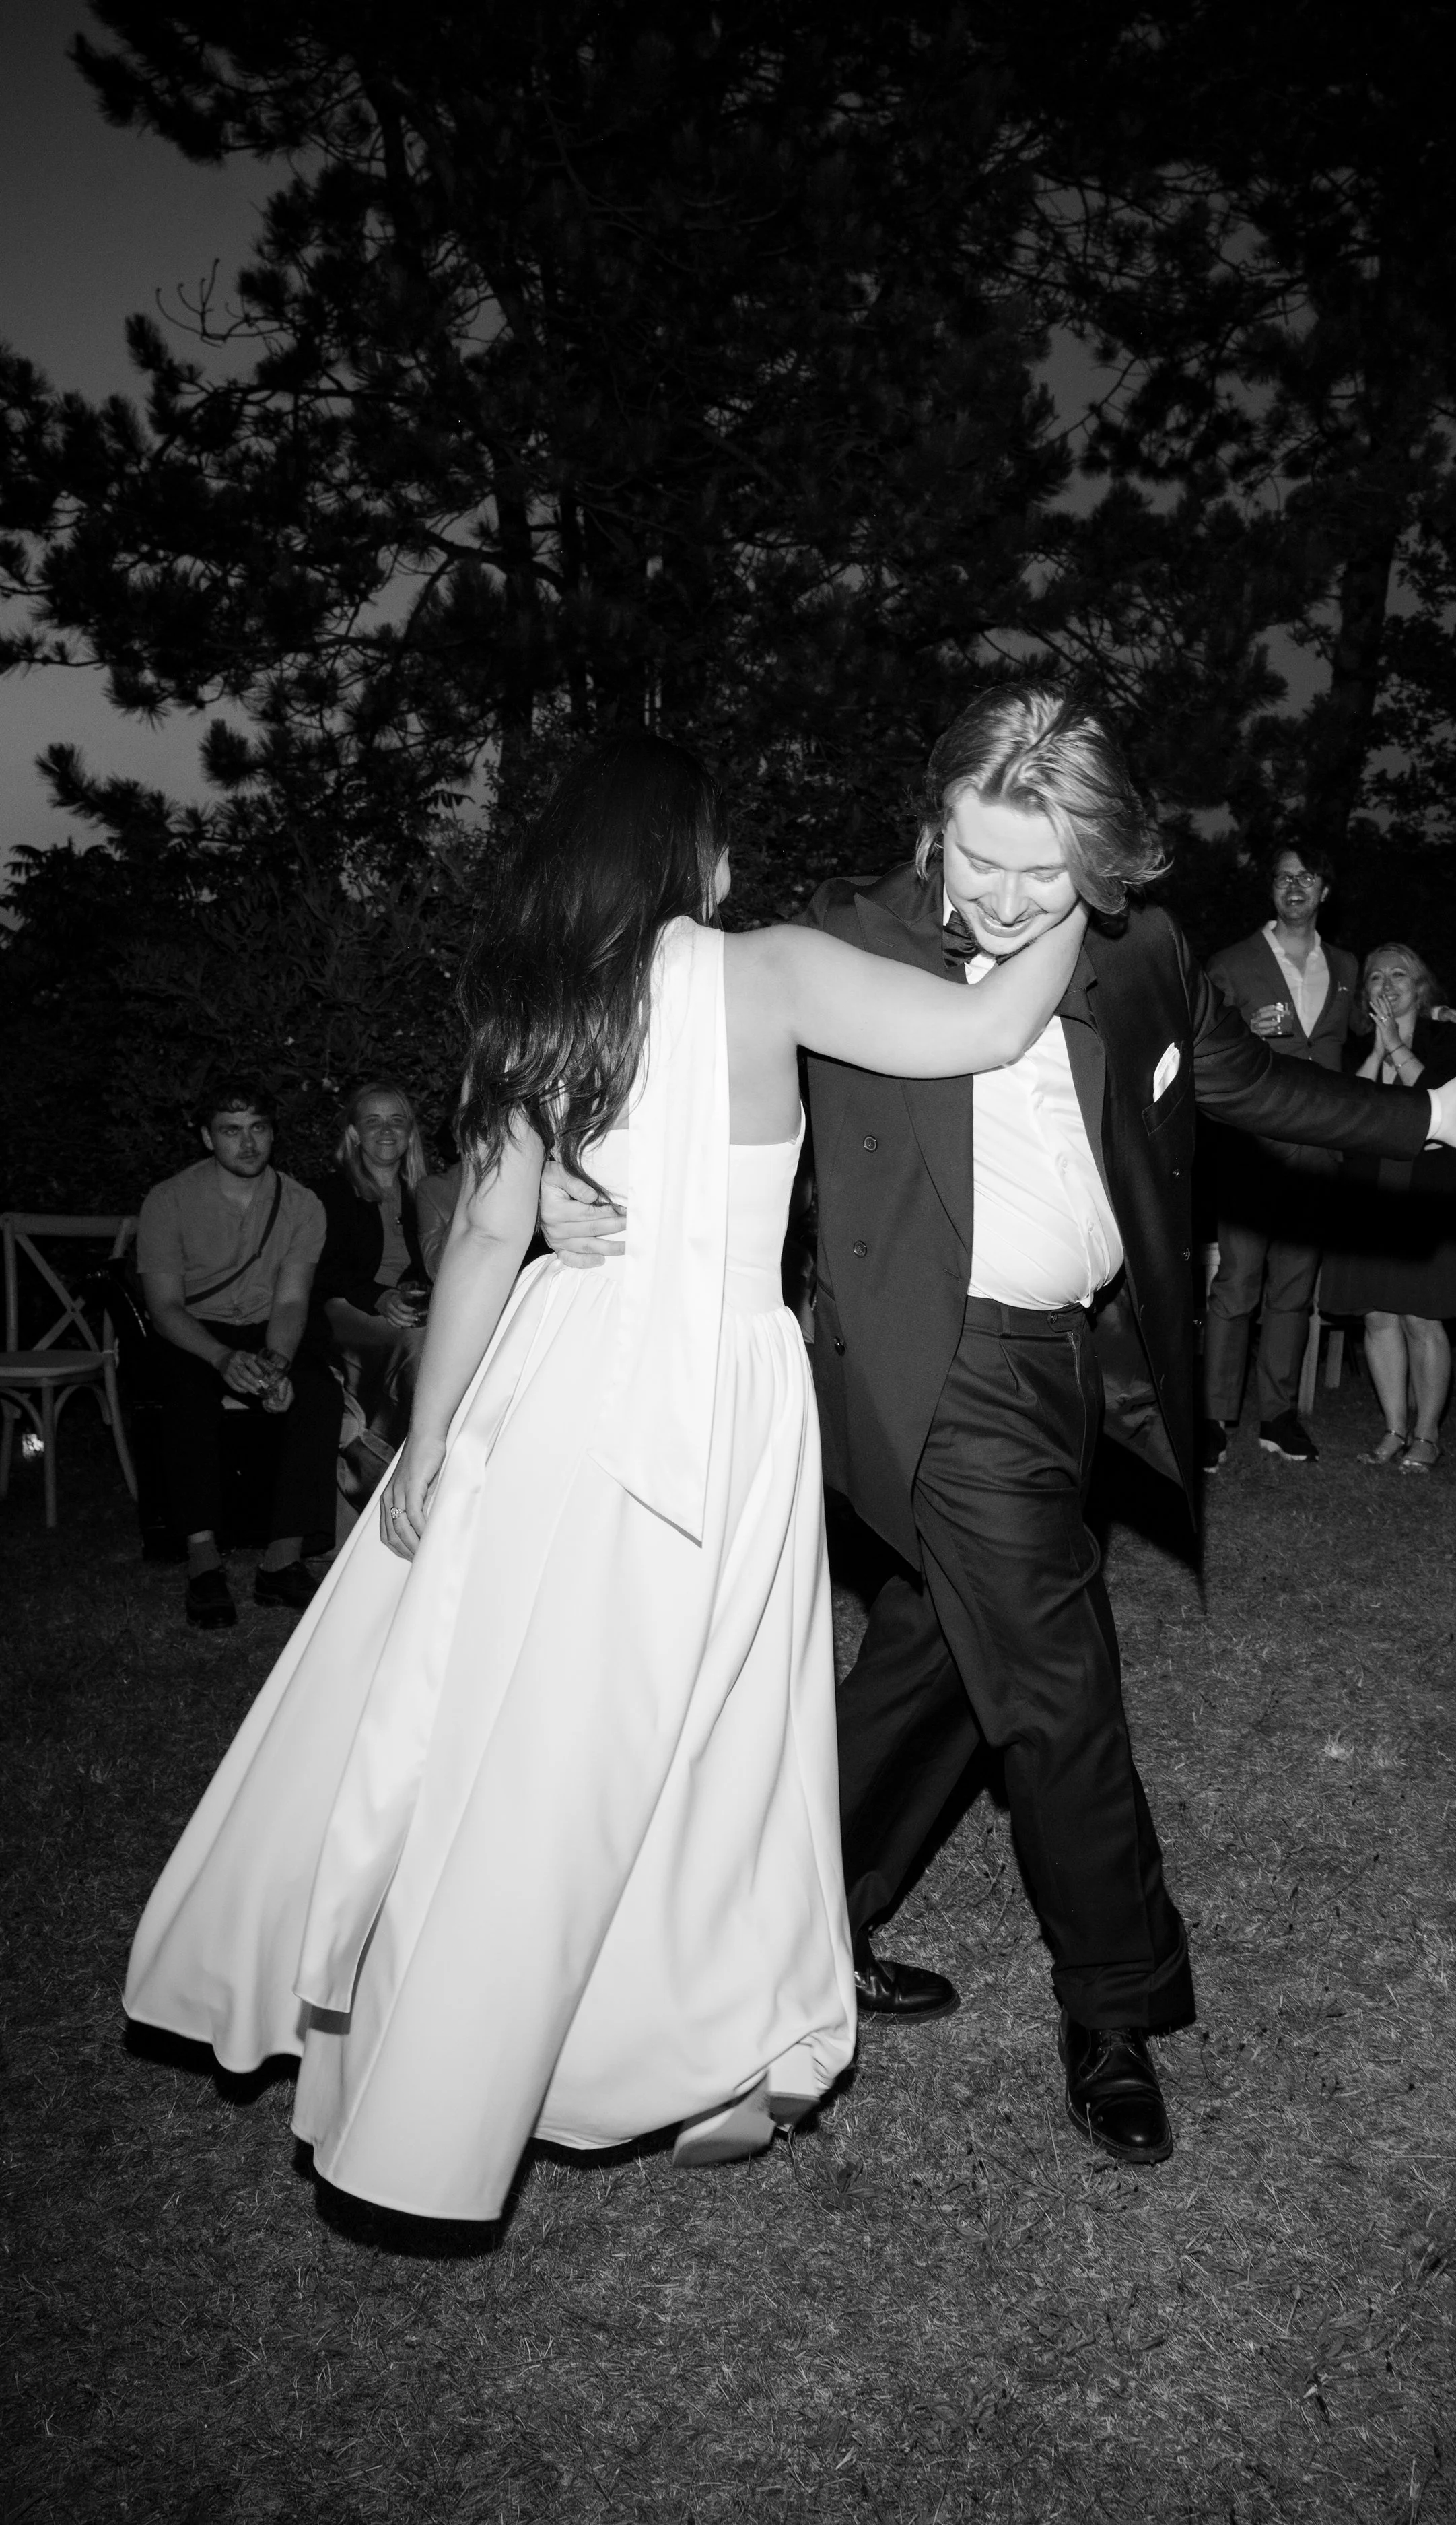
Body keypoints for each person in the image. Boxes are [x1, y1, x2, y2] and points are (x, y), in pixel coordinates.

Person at [542, 682, 1456, 2169]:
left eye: (1050, 867)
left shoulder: (1137, 948)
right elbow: (659, 1035)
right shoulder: (836, 941)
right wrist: (560, 1171)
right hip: (934, 1369)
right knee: (1057, 1685)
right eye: (984, 860)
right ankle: (1114, 2007)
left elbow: (1242, 1085)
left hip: (1071, 1363)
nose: (1016, 899)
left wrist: (1427, 1126)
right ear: (930, 823)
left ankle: (790, 1927)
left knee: (937, 1668)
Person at [123, 734, 1090, 2219]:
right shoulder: (768, 969)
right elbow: (984, 1030)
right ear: (687, 853)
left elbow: (483, 1245)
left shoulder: (544, 1003)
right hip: (714, 1389)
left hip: (556, 1376)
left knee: (521, 1727)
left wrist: (431, 1444)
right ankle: (639, 2042)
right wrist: (1073, 873)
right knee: (696, 1731)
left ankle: (488, 2054)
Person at [135, 1082, 339, 1627]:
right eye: (231, 1131)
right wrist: (223, 1361)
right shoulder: (168, 1201)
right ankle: (203, 1561)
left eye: (259, 1129)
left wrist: (276, 1364)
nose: (248, 1144)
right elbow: (165, 1308)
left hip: (266, 1327)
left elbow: (293, 1297)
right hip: (195, 1331)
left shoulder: (301, 1204)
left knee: (318, 1394)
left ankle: (282, 1561)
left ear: (273, 1133)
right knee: (187, 1398)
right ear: (207, 1137)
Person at [1198, 843, 1357, 1468]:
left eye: (1308, 876)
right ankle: (1212, 1418)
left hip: (1319, 1153)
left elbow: (1374, 1029)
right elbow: (1199, 1043)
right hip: (1250, 1151)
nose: (1295, 886)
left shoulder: (1345, 965)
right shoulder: (1233, 963)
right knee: (1236, 1286)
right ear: (1272, 889)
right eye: (1284, 876)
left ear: (1324, 892)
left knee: (1294, 1291)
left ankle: (1280, 1416)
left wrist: (1438, 1012)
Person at [1317, 945, 1456, 1471]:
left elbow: (1444, 1104)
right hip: (1370, 1199)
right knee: (1378, 1317)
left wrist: (1398, 1047)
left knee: (1422, 1318)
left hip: (1430, 1199)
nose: (1387, 984)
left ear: (1421, 989)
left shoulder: (1450, 1038)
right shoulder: (1351, 1051)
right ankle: (1394, 1427)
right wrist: (1377, 1050)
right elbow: (1350, 1118)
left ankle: (1427, 1434)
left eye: (1400, 975)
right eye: (1375, 977)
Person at [310, 1081, 432, 1472]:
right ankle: (399, 1465)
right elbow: (321, 1271)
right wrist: (379, 1297)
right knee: (420, 1343)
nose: (386, 1131)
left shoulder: (426, 1193)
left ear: (410, 1134)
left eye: (397, 1121)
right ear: (354, 1134)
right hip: (346, 1310)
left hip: (407, 1310)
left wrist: (414, 1289)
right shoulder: (329, 1195)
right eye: (373, 1121)